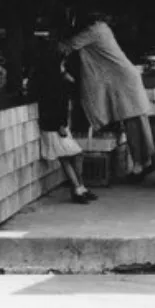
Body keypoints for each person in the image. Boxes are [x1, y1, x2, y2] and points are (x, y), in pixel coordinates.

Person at [58, 8, 155, 180]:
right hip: (126, 77)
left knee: (132, 122)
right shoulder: (102, 28)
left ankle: (139, 167)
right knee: (138, 120)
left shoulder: (92, 31)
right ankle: (146, 161)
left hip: (123, 80)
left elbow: (69, 46)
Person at [33, 39, 97, 205]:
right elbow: (56, 103)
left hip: (55, 123)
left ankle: (79, 187)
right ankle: (78, 188)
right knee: (72, 155)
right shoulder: (54, 81)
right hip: (56, 124)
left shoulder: (48, 77)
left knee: (69, 156)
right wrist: (60, 124)